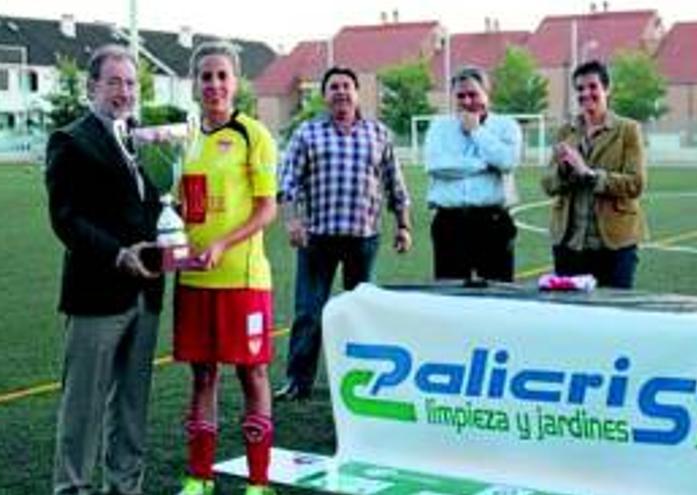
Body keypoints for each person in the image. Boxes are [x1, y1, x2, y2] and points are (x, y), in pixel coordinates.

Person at [45, 44, 162, 495]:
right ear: (92, 86)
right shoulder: (71, 140)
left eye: (130, 83)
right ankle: (72, 488)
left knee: (132, 405)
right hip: (97, 294)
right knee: (84, 406)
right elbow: (67, 218)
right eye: (113, 82)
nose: (124, 91)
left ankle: (124, 487)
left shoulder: (146, 139)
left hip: (146, 294)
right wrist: (118, 254)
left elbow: (155, 207)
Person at [172, 41, 278, 495]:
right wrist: (169, 240)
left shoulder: (255, 134)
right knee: (202, 375)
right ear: (194, 84)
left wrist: (222, 242)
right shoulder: (184, 139)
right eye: (205, 76)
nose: (214, 84)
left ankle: (258, 482)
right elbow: (177, 207)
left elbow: (266, 210)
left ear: (236, 82)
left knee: (251, 373)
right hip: (194, 277)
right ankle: (200, 478)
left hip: (243, 280)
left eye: (222, 75)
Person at [276, 65, 412, 401]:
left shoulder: (378, 133)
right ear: (325, 96)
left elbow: (396, 185)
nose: (340, 91)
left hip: (363, 238)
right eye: (333, 86)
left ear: (357, 92)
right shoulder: (307, 133)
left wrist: (404, 225)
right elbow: (287, 183)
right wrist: (293, 221)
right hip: (317, 238)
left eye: (346, 86)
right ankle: (298, 381)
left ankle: (362, 380)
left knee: (359, 314)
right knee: (309, 312)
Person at [540, 59, 647, 289]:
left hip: (614, 245)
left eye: (592, 87)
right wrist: (563, 170)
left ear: (607, 89)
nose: (585, 93)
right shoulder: (565, 131)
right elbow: (548, 184)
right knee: (572, 317)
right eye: (579, 89)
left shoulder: (628, 130)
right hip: (569, 244)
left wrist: (589, 174)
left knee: (613, 317)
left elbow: (636, 184)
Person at [424, 66, 521, 282]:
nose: (467, 101)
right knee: (451, 298)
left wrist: (476, 131)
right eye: (460, 96)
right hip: (449, 223)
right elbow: (436, 165)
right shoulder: (439, 127)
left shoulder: (506, 126)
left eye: (473, 94)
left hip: (493, 222)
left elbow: (507, 161)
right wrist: (484, 164)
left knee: (498, 295)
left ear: (487, 93)